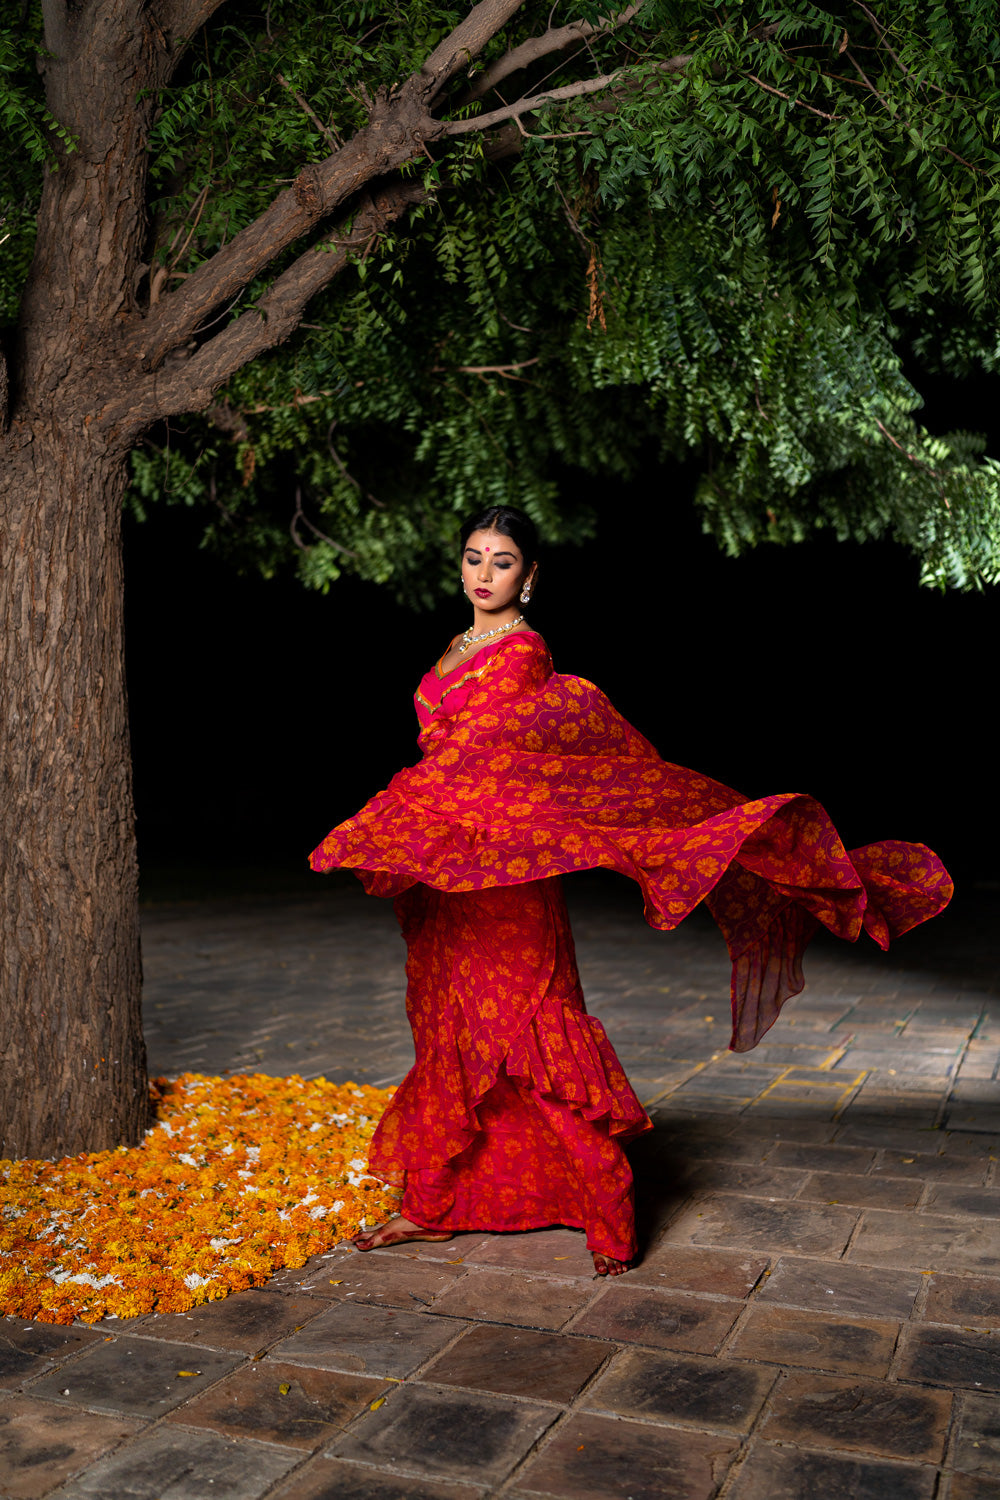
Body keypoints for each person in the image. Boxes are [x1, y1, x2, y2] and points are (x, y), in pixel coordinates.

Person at [310, 505, 952, 1274]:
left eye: (502, 561)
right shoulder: (456, 647)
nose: (484, 574)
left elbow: (483, 771)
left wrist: (390, 816)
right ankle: (438, 1205)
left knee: (524, 1032)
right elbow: (452, 767)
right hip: (455, 878)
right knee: (450, 1028)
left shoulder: (520, 655)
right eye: (474, 558)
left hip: (507, 881)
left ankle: (607, 1211)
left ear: (531, 575)